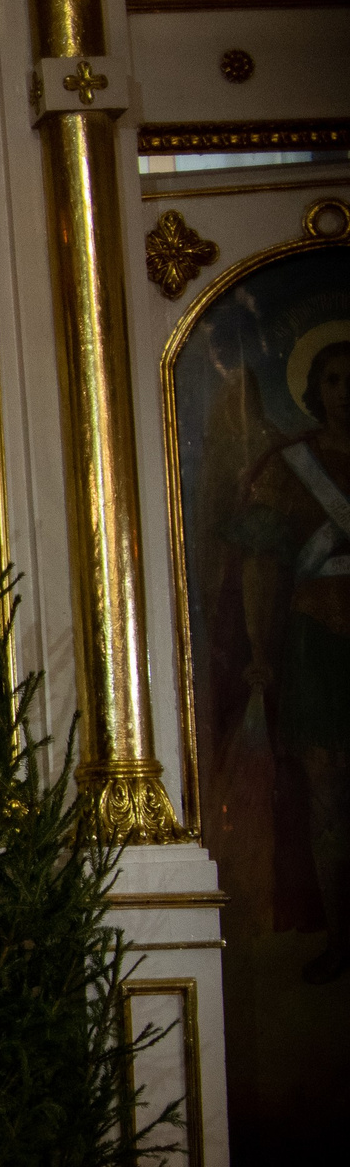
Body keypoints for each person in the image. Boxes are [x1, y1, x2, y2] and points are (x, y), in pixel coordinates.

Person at [237, 339, 350, 982]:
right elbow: (259, 564)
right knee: (328, 794)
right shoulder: (291, 468)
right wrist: (258, 650)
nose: (345, 390)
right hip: (318, 642)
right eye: (333, 378)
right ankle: (340, 939)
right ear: (316, 390)